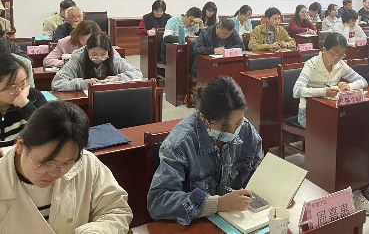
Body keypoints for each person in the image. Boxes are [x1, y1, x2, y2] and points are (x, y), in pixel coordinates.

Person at [0, 101, 132, 232]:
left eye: (66, 163)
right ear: (20, 145)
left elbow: (115, 210)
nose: (54, 173)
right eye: (46, 163)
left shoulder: (86, 163)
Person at [147, 76, 263, 224]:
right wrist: (218, 204)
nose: (233, 132)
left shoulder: (248, 132)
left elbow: (258, 178)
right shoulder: (180, 144)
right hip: (196, 224)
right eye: (224, 127)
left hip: (238, 221)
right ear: (203, 118)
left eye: (238, 122)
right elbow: (158, 201)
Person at [292, 33, 369, 215]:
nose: (337, 58)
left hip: (332, 112)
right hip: (309, 114)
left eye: (341, 54)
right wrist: (323, 91)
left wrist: (348, 86)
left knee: (357, 135)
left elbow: (363, 81)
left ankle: (361, 184)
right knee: (341, 138)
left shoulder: (341, 65)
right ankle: (345, 188)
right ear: (324, 50)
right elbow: (297, 91)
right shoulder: (312, 64)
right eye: (334, 53)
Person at [51, 33, 142, 91]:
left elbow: (137, 74)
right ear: (87, 49)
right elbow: (57, 83)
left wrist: (117, 79)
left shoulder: (114, 58)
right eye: (94, 54)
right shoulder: (77, 59)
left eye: (103, 54)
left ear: (108, 51)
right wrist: (84, 83)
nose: (98, 58)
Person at [0, 54, 46, 151]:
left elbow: (49, 132)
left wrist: (25, 105)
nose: (20, 91)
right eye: (12, 87)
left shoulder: (34, 97)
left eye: (23, 83)